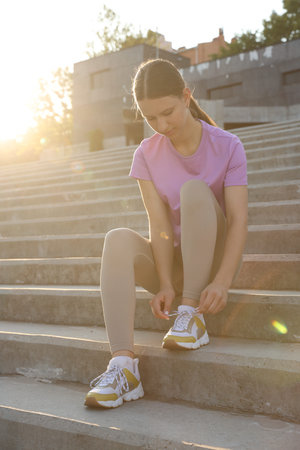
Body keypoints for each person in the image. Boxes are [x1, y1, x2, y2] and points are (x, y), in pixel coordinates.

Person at [85, 58, 248, 409]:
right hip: (175, 260)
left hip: (211, 257)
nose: (161, 125)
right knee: (116, 239)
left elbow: (237, 219)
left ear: (186, 97)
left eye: (168, 112)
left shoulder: (229, 145)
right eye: (150, 118)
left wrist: (221, 281)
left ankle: (192, 315)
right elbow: (158, 226)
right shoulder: (146, 153)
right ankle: (123, 366)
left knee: (193, 190)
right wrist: (165, 283)